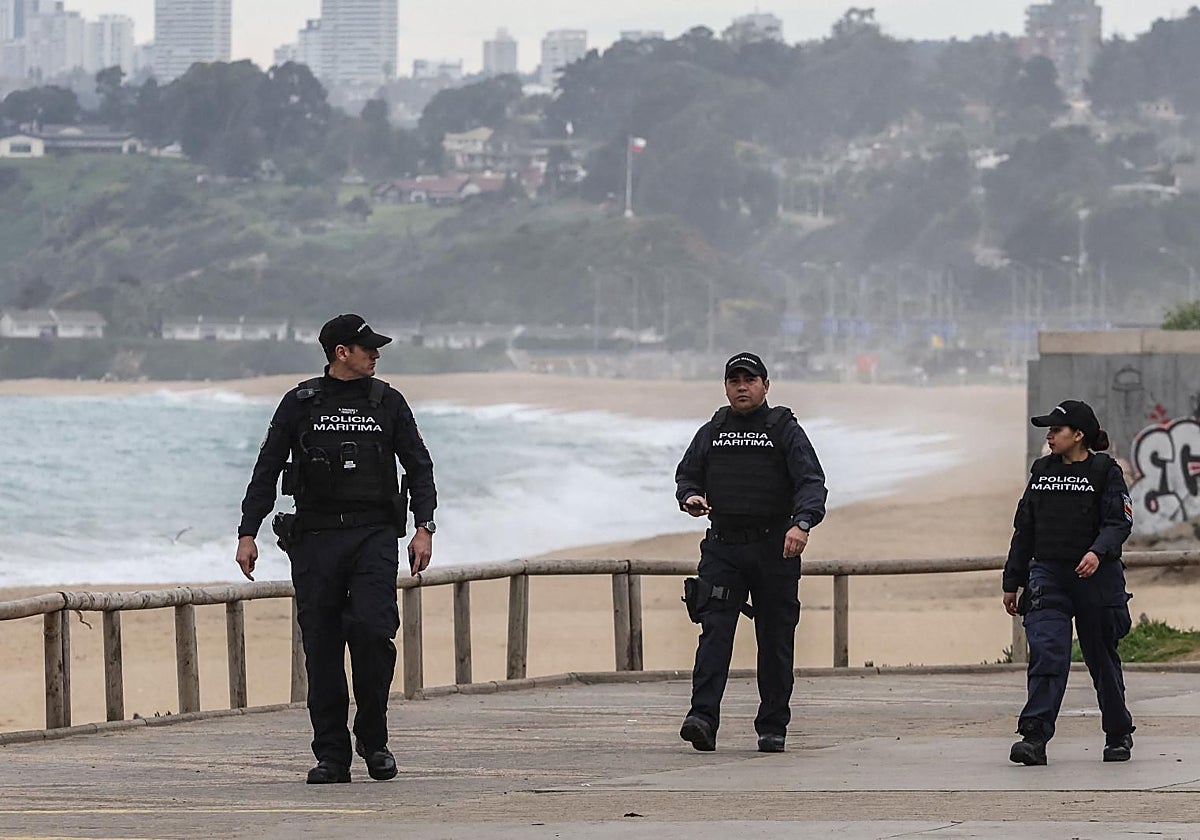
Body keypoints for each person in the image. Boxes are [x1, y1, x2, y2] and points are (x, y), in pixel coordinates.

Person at [235, 313, 437, 784]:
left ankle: (373, 736)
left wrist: (424, 526)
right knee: (322, 649)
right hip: (316, 540)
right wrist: (248, 531)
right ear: (340, 352)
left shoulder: (388, 401)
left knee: (372, 632)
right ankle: (332, 755)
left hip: (373, 536)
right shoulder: (300, 402)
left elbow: (419, 465)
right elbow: (266, 468)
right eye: (367, 348)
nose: (376, 354)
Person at [674, 352, 827, 753]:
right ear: (726, 387)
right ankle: (702, 718)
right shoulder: (714, 430)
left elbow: (811, 482)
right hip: (723, 548)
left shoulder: (784, 430)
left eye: (749, 379)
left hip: (774, 548)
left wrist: (802, 524)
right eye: (734, 380)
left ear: (765, 385)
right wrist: (690, 496)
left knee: (775, 640)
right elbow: (687, 474)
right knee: (715, 634)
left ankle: (772, 726)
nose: (741, 386)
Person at [1003, 399, 1135, 766]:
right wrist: (1012, 580)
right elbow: (1024, 529)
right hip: (1049, 576)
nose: (1049, 435)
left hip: (1097, 579)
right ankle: (1034, 737)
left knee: (1101, 658)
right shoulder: (1042, 471)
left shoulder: (1105, 471)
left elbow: (1118, 523)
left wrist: (1097, 552)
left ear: (1079, 435)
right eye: (1048, 430)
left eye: (1056, 430)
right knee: (1047, 652)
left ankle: (1117, 732)